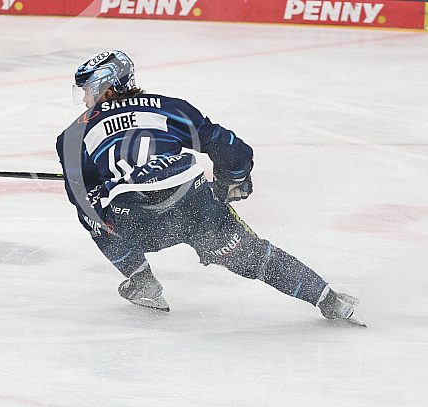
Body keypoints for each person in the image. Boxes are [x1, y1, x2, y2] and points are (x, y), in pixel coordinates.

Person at [55, 50, 365, 327]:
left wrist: (104, 194)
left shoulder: (71, 136)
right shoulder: (170, 107)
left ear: (107, 89)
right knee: (253, 255)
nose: (84, 100)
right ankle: (329, 300)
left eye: (87, 91)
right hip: (193, 201)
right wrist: (232, 182)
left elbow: (81, 200)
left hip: (136, 220)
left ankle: (142, 280)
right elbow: (232, 148)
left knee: (94, 219)